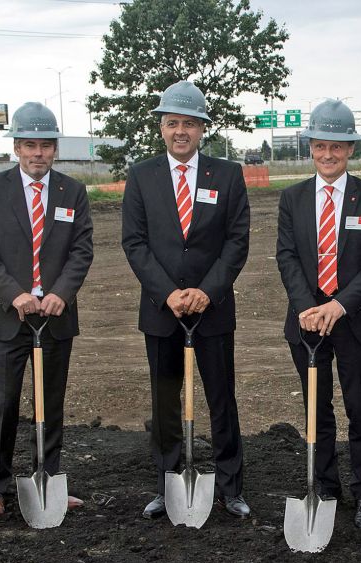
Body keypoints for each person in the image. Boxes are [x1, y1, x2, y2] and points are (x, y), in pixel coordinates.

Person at [122, 81, 251, 519]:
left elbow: (236, 242)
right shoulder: (141, 176)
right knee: (165, 400)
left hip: (212, 309)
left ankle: (231, 487)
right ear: (161, 128)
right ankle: (167, 482)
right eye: (173, 123)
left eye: (190, 124)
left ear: (202, 130)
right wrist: (169, 293)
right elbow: (134, 243)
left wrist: (206, 291)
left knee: (221, 398)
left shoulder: (228, 175)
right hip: (162, 311)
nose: (181, 131)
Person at [0, 102, 94, 520]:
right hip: (9, 317)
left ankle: (49, 479)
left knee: (50, 403)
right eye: (29, 145)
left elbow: (81, 250)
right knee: (3, 405)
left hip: (55, 318)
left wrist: (62, 292)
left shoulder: (71, 192)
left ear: (54, 149)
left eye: (45, 146)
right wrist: (15, 294)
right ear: (16, 148)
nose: (38, 153)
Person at [275, 99, 361, 529]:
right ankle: (325, 487)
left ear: (351, 150)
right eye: (320, 146)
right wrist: (309, 306)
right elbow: (286, 255)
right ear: (310, 147)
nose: (328, 155)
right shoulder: (292, 198)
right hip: (306, 324)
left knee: (360, 409)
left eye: (337, 147)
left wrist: (339, 305)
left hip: (356, 322)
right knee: (316, 410)